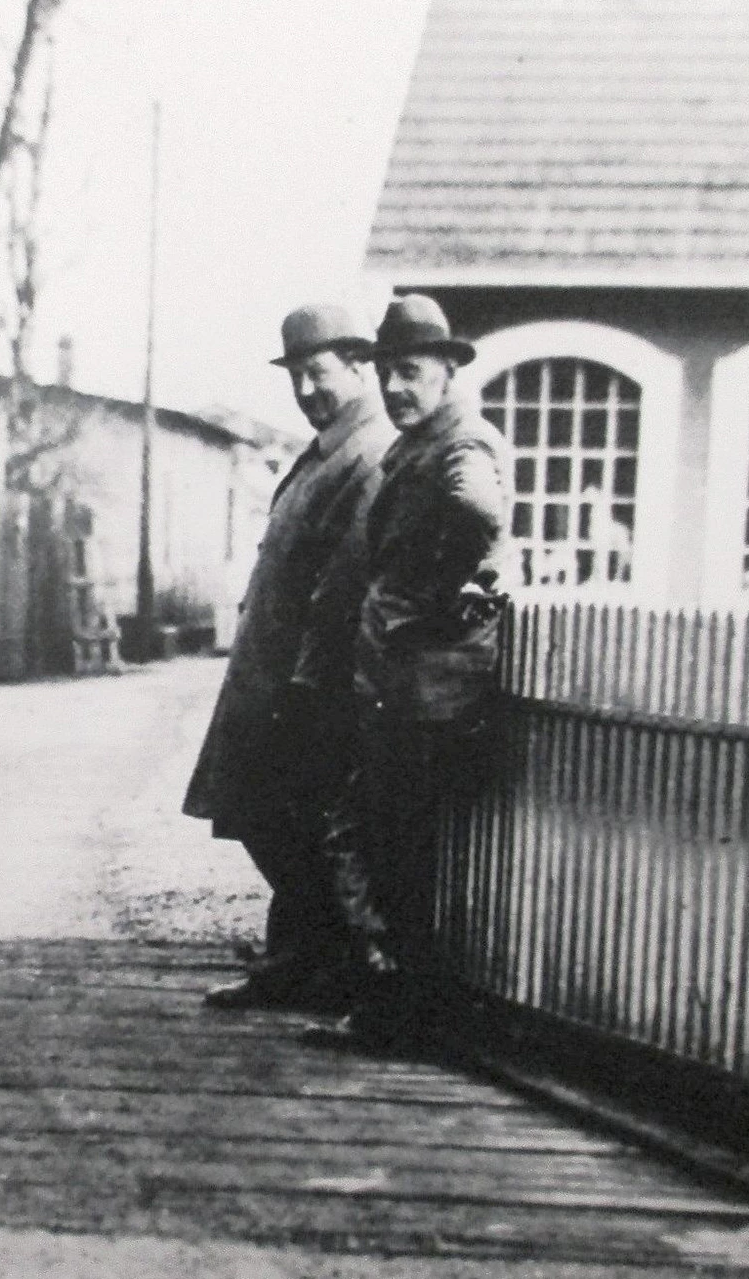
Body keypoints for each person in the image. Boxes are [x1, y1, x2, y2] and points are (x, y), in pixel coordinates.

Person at [183, 304, 397, 1010]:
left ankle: (322, 965)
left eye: (320, 373)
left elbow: (342, 584)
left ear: (362, 365)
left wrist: (307, 682)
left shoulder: (366, 454)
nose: (307, 390)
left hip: (304, 678)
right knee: (259, 810)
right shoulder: (325, 448)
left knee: (286, 816)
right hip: (270, 665)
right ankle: (293, 960)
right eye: (298, 377)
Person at [314, 293, 508, 1053]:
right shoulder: (418, 441)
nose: (396, 388)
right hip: (398, 682)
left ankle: (401, 1012)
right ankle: (391, 1004)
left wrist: (447, 592)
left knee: (395, 848)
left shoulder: (461, 443)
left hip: (425, 690)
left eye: (411, 372)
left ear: (447, 370)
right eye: (387, 373)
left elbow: (479, 512)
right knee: (378, 839)